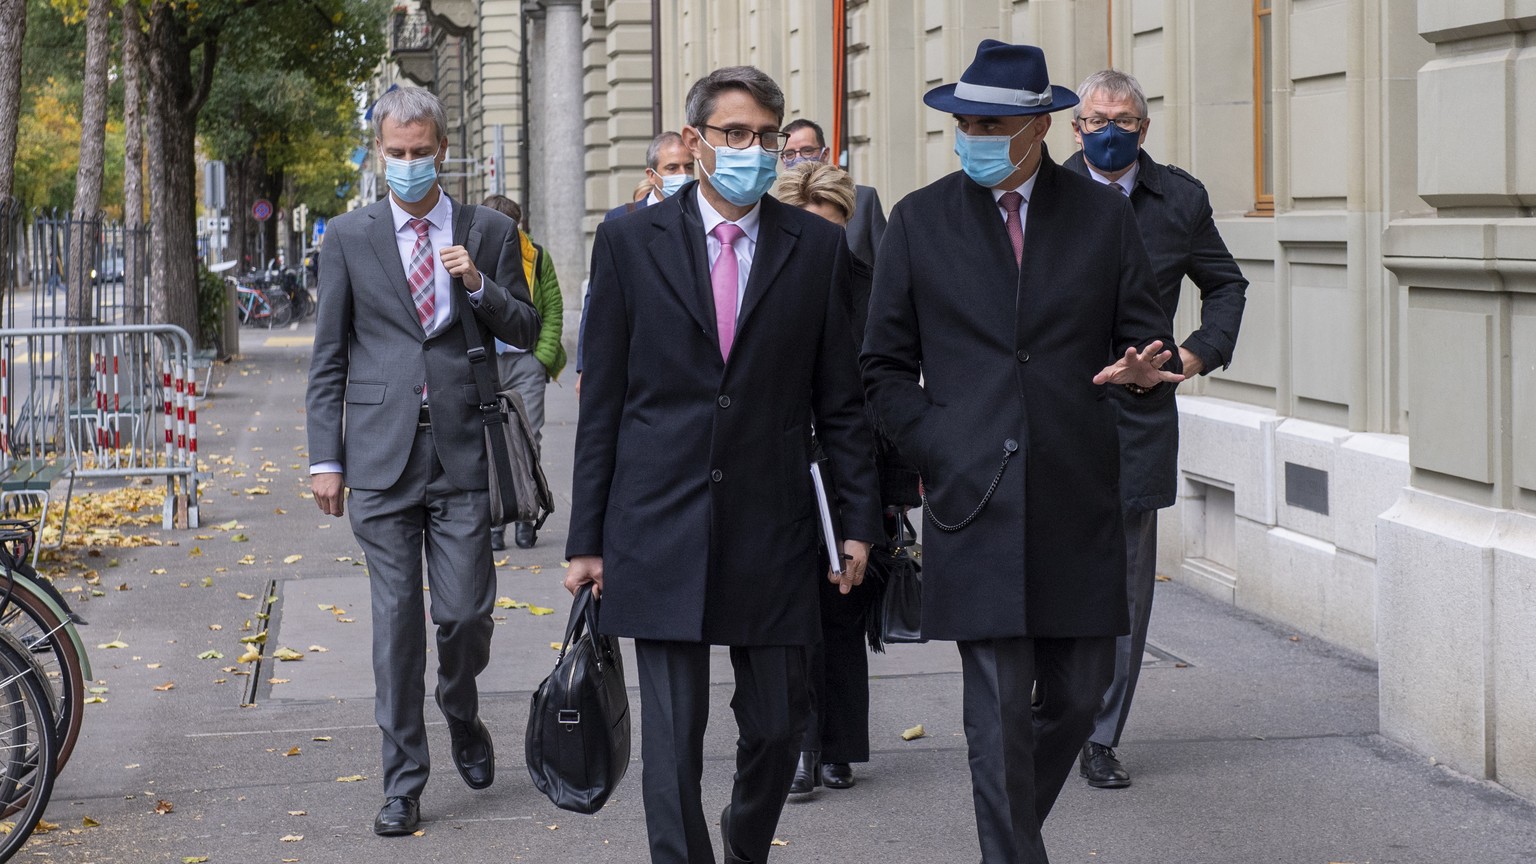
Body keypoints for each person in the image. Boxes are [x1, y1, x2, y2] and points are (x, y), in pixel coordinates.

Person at [861, 41, 1183, 864]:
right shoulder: (920, 218)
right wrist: (941, 443)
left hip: (1077, 494)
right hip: (973, 499)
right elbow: (884, 368)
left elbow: (1141, 337)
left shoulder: (1104, 218)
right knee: (997, 710)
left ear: (1038, 126)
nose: (971, 135)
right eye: (962, 123)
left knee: (1078, 698)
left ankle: (1012, 831)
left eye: (989, 123)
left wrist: (1147, 369)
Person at [564, 66, 882, 864]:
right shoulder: (630, 241)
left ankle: (745, 841)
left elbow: (840, 401)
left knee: (778, 727)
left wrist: (855, 521)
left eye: (766, 136)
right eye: (735, 134)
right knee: (672, 746)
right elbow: (602, 400)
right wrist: (586, 540)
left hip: (771, 525)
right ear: (695, 140)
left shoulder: (817, 248)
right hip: (657, 520)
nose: (753, 149)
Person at [306, 86, 540, 837]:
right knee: (396, 623)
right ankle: (403, 782)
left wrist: (476, 280)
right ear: (381, 153)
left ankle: (461, 707)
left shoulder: (489, 229)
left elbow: (529, 329)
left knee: (467, 614)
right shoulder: (347, 235)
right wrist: (324, 460)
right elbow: (329, 357)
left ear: (442, 149)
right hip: (377, 457)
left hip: (465, 450)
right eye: (395, 153)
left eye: (419, 153)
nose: (408, 165)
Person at [1061, 69, 1247, 789]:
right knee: (1046, 564)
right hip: (1054, 413)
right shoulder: (1044, 195)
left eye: (1125, 121)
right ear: (1076, 128)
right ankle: (1051, 700)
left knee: (1129, 587)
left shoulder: (1180, 198)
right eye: (1096, 119)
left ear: (1144, 127)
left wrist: (1196, 355)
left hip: (1139, 418)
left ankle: (1100, 733)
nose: (1110, 130)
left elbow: (1225, 282)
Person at [771, 161, 921, 796]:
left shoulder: (872, 287)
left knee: (842, 616)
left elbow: (894, 387)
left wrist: (891, 497)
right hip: (780, 473)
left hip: (855, 474)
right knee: (791, 618)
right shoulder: (767, 284)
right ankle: (802, 745)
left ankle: (837, 747)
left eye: (831, 232)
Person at [579, 131, 698, 395]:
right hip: (635, 356)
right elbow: (597, 298)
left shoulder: (702, 219)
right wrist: (585, 366)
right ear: (651, 175)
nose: (683, 174)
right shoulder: (621, 222)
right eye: (672, 167)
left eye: (689, 167)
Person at [479, 194, 567, 550]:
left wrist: (541, 358)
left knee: (530, 440)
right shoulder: (471, 254)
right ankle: (496, 522)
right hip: (487, 363)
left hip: (526, 362)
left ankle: (527, 517)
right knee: (489, 441)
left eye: (512, 226)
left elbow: (554, 307)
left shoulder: (537, 257)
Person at [779, 119, 887, 266]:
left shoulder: (863, 199)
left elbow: (885, 262)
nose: (799, 159)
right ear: (783, 160)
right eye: (790, 153)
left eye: (807, 151)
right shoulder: (777, 210)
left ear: (825, 154)